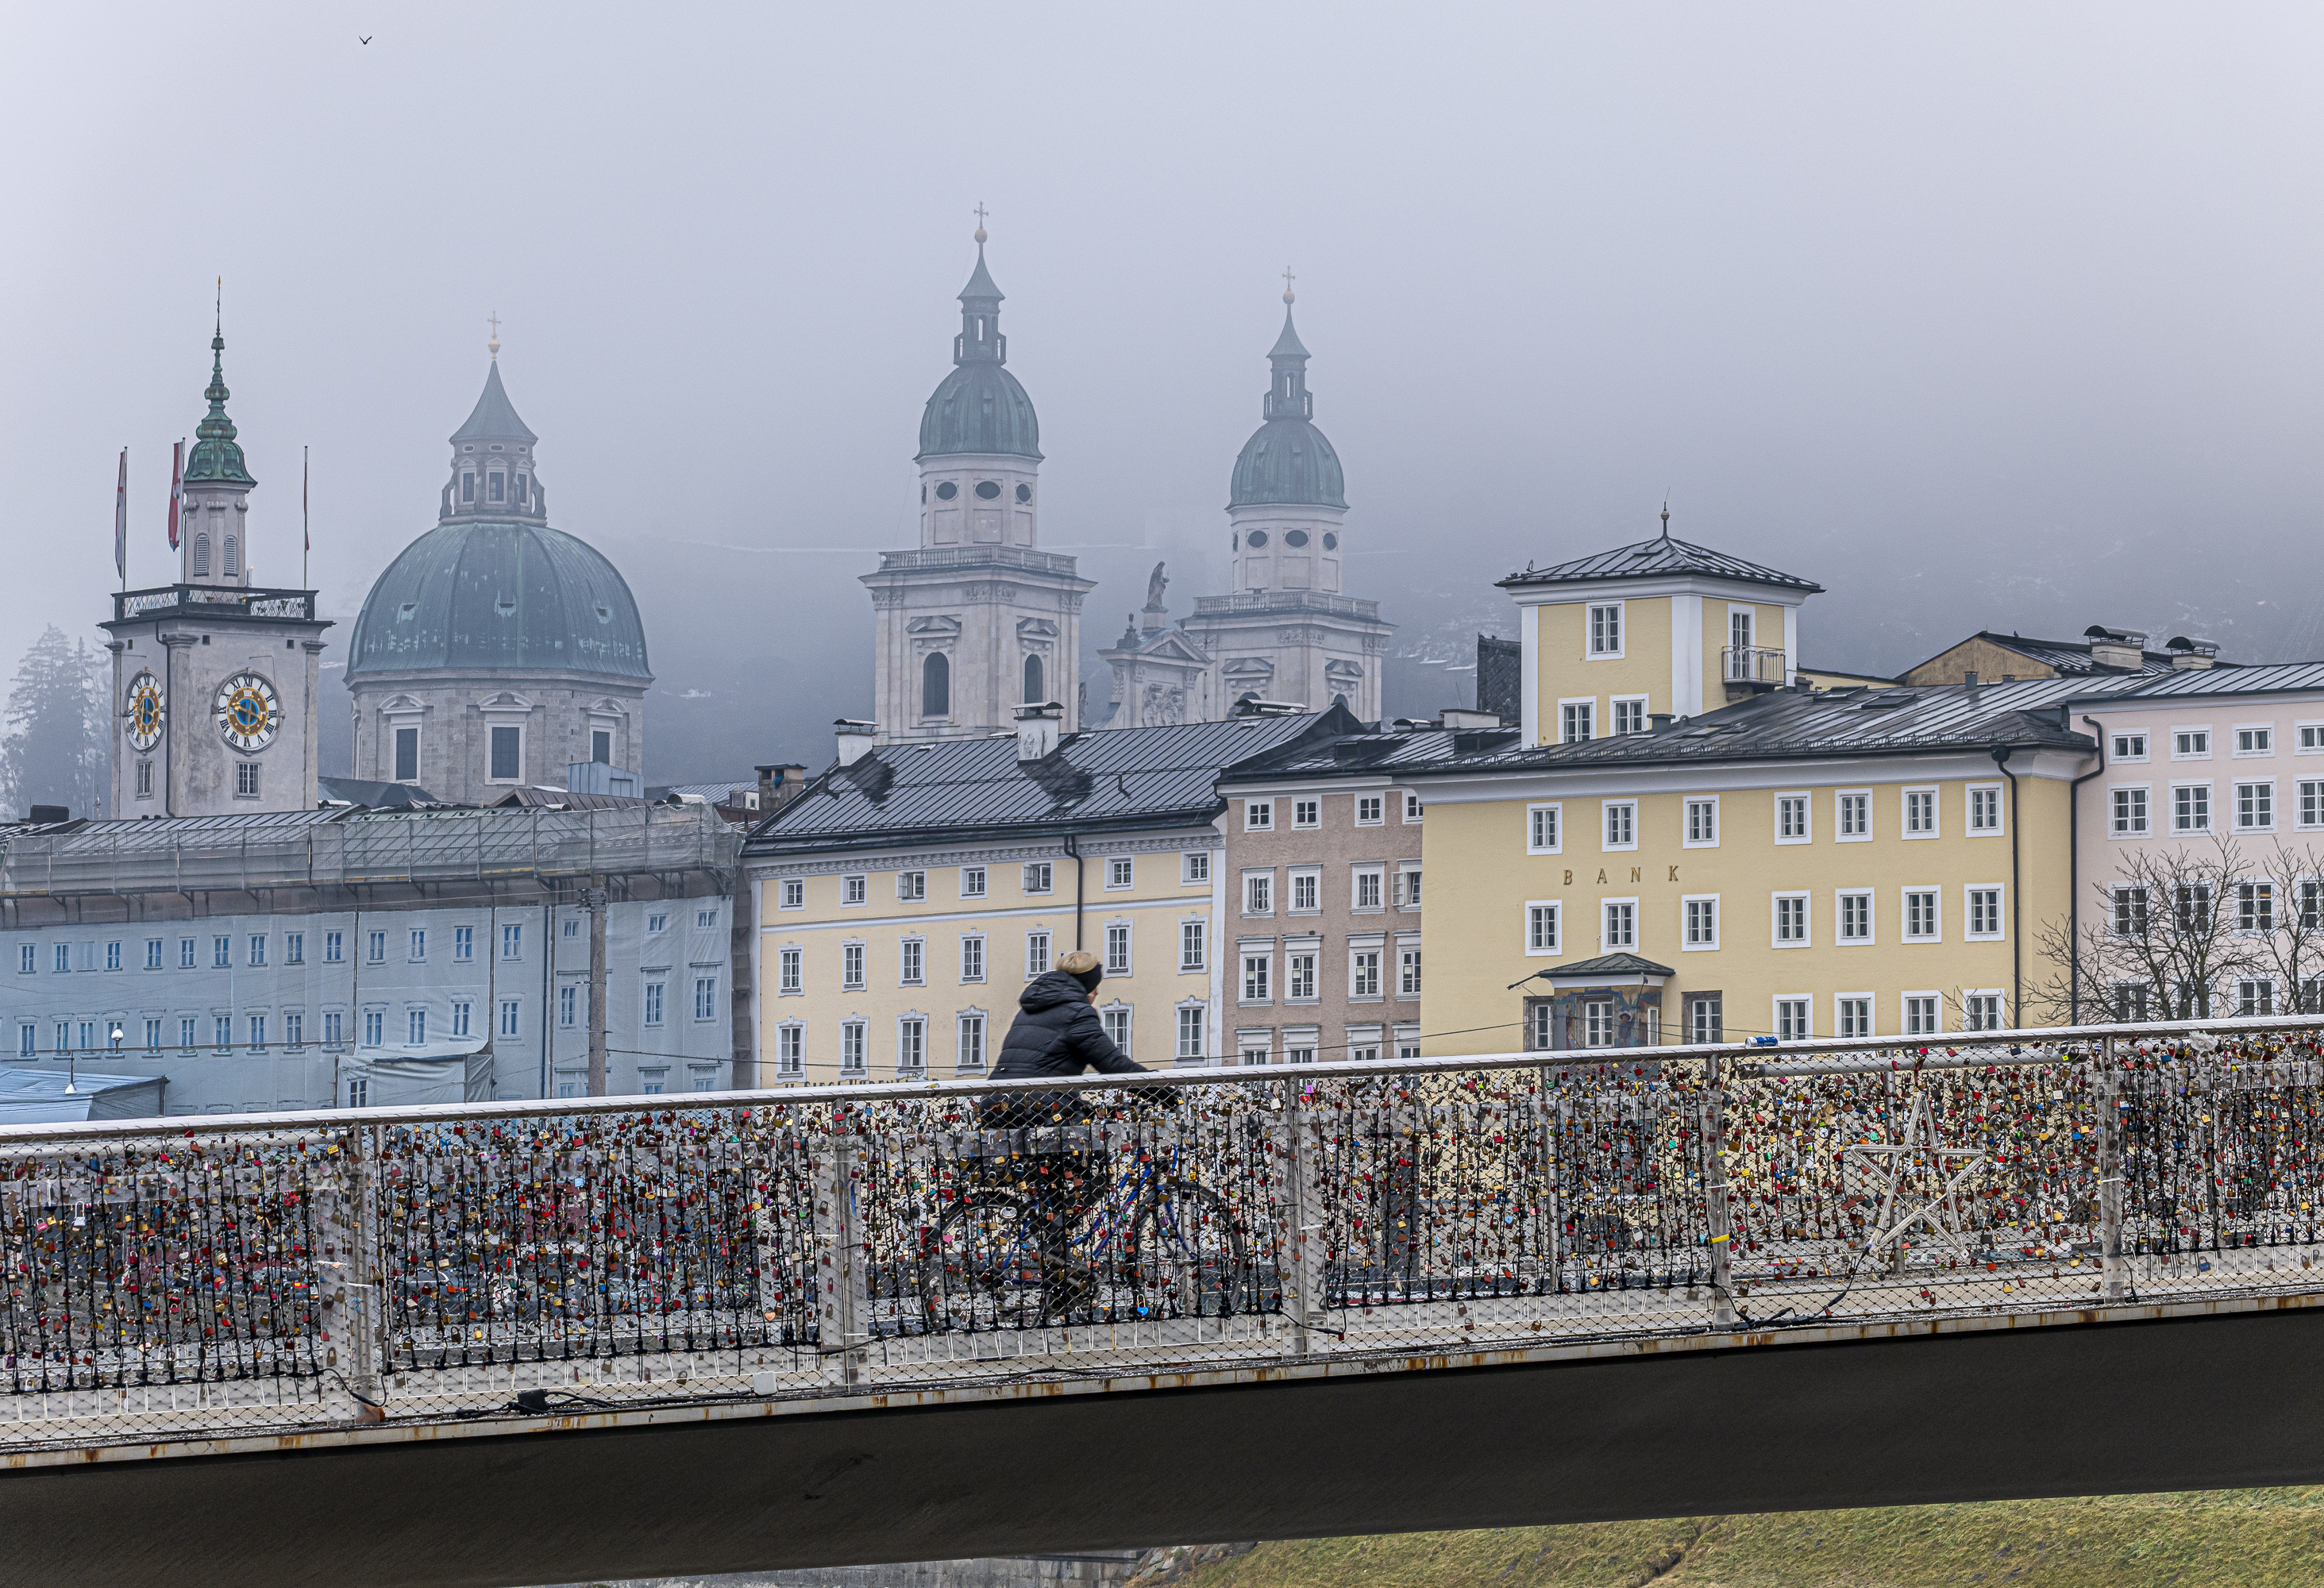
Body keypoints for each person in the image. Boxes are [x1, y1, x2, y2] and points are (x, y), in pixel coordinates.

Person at [981, 950, 1164, 1127]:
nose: (1097, 993)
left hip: (995, 1100)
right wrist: (1164, 1092)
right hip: (1040, 1105)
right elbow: (1113, 1064)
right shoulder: (1078, 1013)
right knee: (1091, 1149)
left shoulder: (1027, 1010)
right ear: (1087, 987)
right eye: (1095, 987)